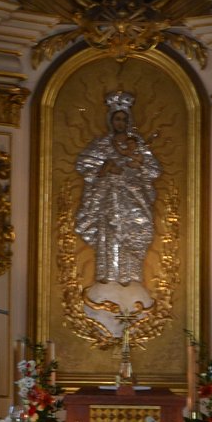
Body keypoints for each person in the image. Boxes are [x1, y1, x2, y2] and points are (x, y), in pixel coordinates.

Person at [75, 91, 160, 290]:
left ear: (128, 121)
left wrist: (137, 165)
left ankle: (132, 280)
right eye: (117, 119)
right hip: (109, 199)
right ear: (110, 121)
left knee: (134, 233)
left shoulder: (136, 145)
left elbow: (153, 170)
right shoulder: (101, 144)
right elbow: (84, 165)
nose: (120, 123)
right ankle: (108, 279)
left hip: (133, 199)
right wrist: (106, 168)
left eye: (123, 119)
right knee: (110, 235)